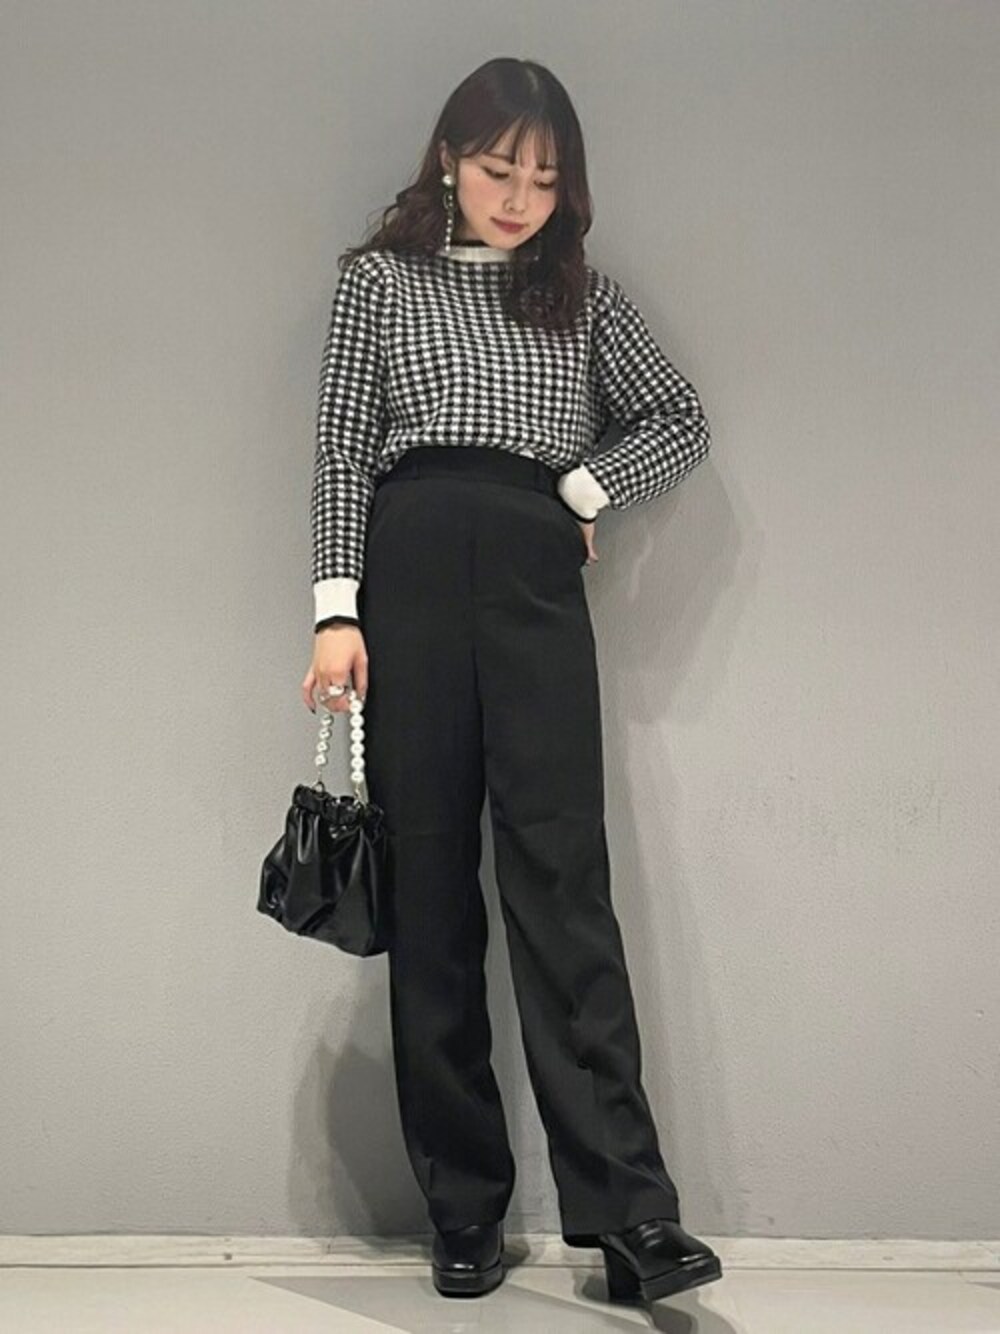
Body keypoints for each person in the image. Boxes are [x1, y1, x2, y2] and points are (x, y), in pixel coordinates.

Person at [300, 56, 722, 1307]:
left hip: (533, 568)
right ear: (448, 159)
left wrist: (580, 487)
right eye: (498, 169)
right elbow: (339, 448)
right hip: (411, 560)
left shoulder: (583, 295)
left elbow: (677, 417)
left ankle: (631, 1216)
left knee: (562, 883)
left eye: (543, 177)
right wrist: (335, 610)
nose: (519, 196)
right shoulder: (378, 282)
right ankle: (464, 1208)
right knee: (430, 887)